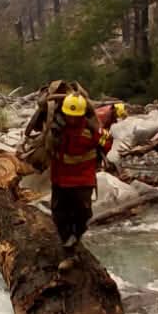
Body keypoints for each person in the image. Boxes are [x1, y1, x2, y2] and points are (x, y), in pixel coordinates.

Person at [49, 91, 112, 266]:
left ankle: (75, 237)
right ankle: (67, 245)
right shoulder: (56, 128)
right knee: (59, 213)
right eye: (70, 116)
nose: (73, 119)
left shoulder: (92, 129)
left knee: (83, 214)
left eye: (76, 116)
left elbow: (108, 141)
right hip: (60, 178)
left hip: (82, 179)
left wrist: (100, 153)